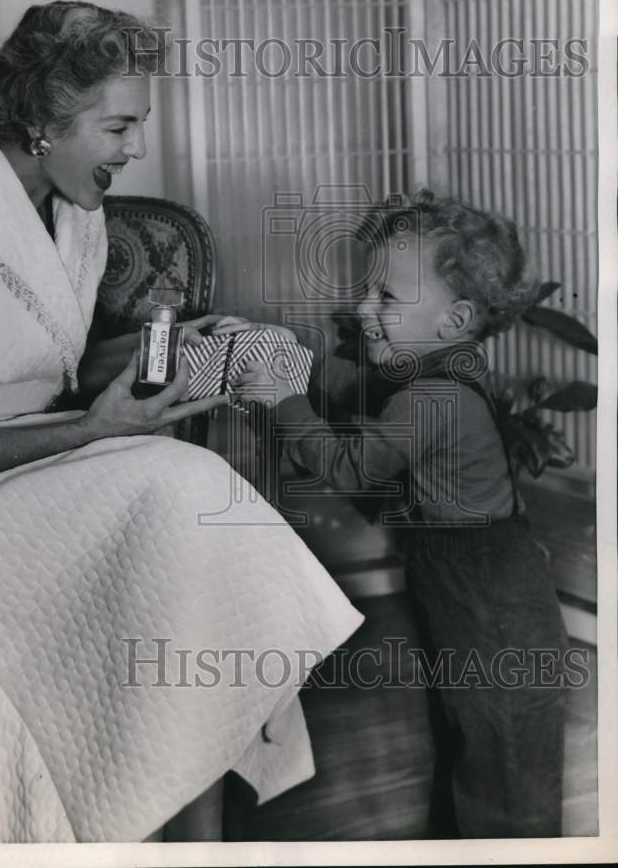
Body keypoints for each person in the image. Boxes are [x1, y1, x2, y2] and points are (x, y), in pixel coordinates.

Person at [0, 0, 363, 843]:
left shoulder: (76, 207)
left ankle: (189, 837)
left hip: (19, 466)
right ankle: (176, 834)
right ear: (40, 120)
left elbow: (48, 369)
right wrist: (98, 430)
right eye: (119, 126)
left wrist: (163, 346)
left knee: (186, 528)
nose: (134, 150)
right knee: (179, 489)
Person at [237, 192, 569, 838]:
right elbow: (346, 388)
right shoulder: (427, 371)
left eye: (385, 300)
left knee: (503, 767)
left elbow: (349, 469)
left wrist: (282, 398)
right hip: (460, 588)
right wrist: (282, 357)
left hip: (491, 603)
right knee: (466, 743)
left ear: (454, 321)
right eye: (368, 292)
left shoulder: (434, 399)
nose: (363, 310)